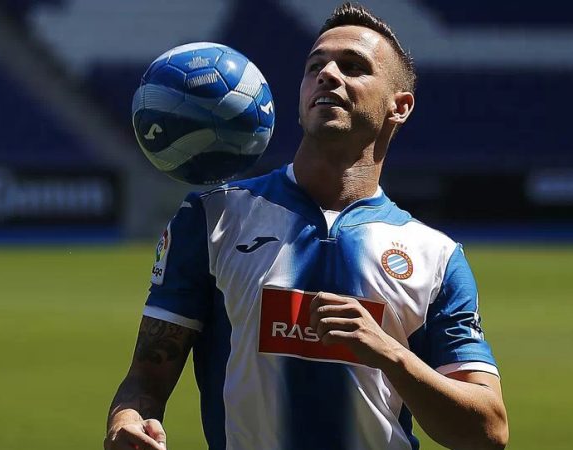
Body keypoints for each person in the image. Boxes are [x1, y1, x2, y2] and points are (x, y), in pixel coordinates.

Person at [104, 2, 509, 449]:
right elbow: (145, 379)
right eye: (316, 65)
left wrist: (392, 353)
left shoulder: (437, 258)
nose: (329, 74)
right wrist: (126, 422)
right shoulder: (211, 218)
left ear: (400, 106)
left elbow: (488, 433)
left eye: (353, 67)